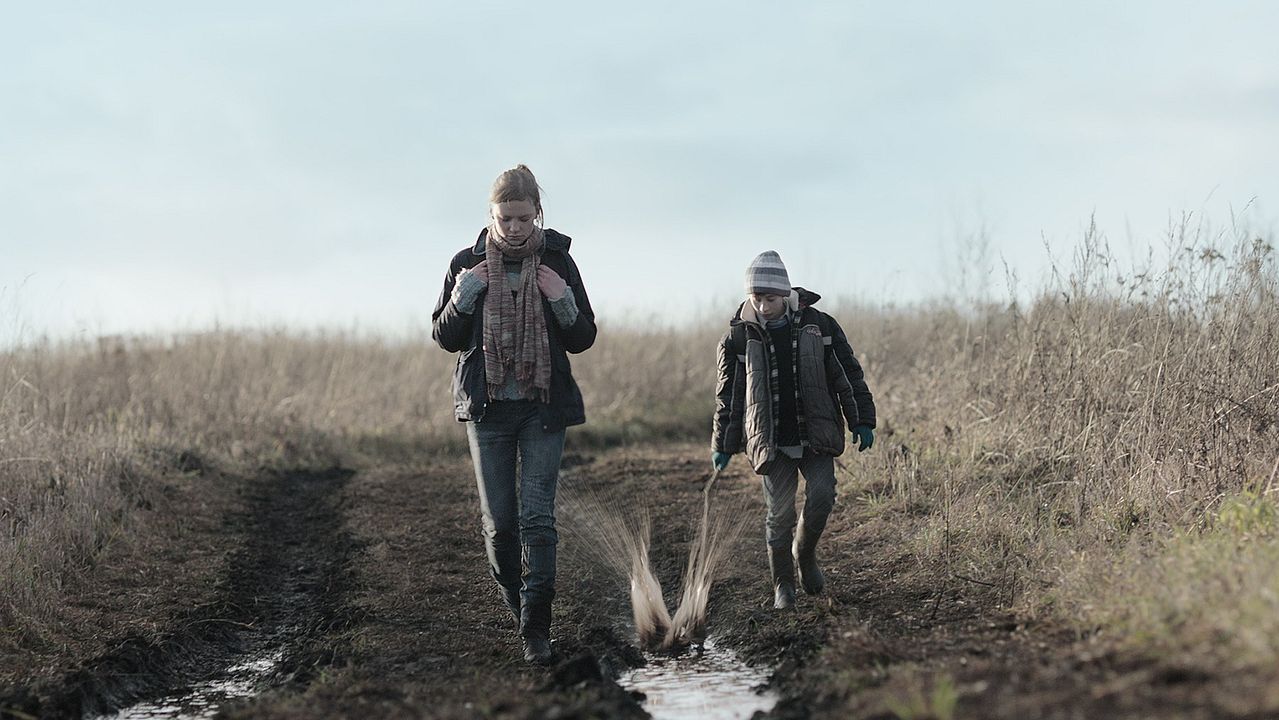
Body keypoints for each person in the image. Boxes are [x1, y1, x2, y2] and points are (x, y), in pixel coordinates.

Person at [432, 164, 596, 663]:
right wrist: (464, 296)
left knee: (538, 520)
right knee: (501, 526)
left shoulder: (559, 263)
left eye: (524, 218)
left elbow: (583, 338)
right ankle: (517, 605)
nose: (515, 227)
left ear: (537, 214)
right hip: (488, 412)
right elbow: (445, 337)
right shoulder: (466, 262)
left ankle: (535, 629)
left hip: (542, 408)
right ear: (492, 215)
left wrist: (561, 300)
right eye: (506, 218)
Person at [711, 251, 876, 609]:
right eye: (756, 298)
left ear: (784, 294)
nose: (763, 305)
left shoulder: (820, 325)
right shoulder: (738, 338)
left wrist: (861, 418)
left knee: (822, 495)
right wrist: (724, 442)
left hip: (815, 433)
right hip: (771, 441)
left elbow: (847, 374)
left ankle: (806, 554)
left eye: (770, 298)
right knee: (779, 514)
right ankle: (783, 585)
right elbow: (729, 394)